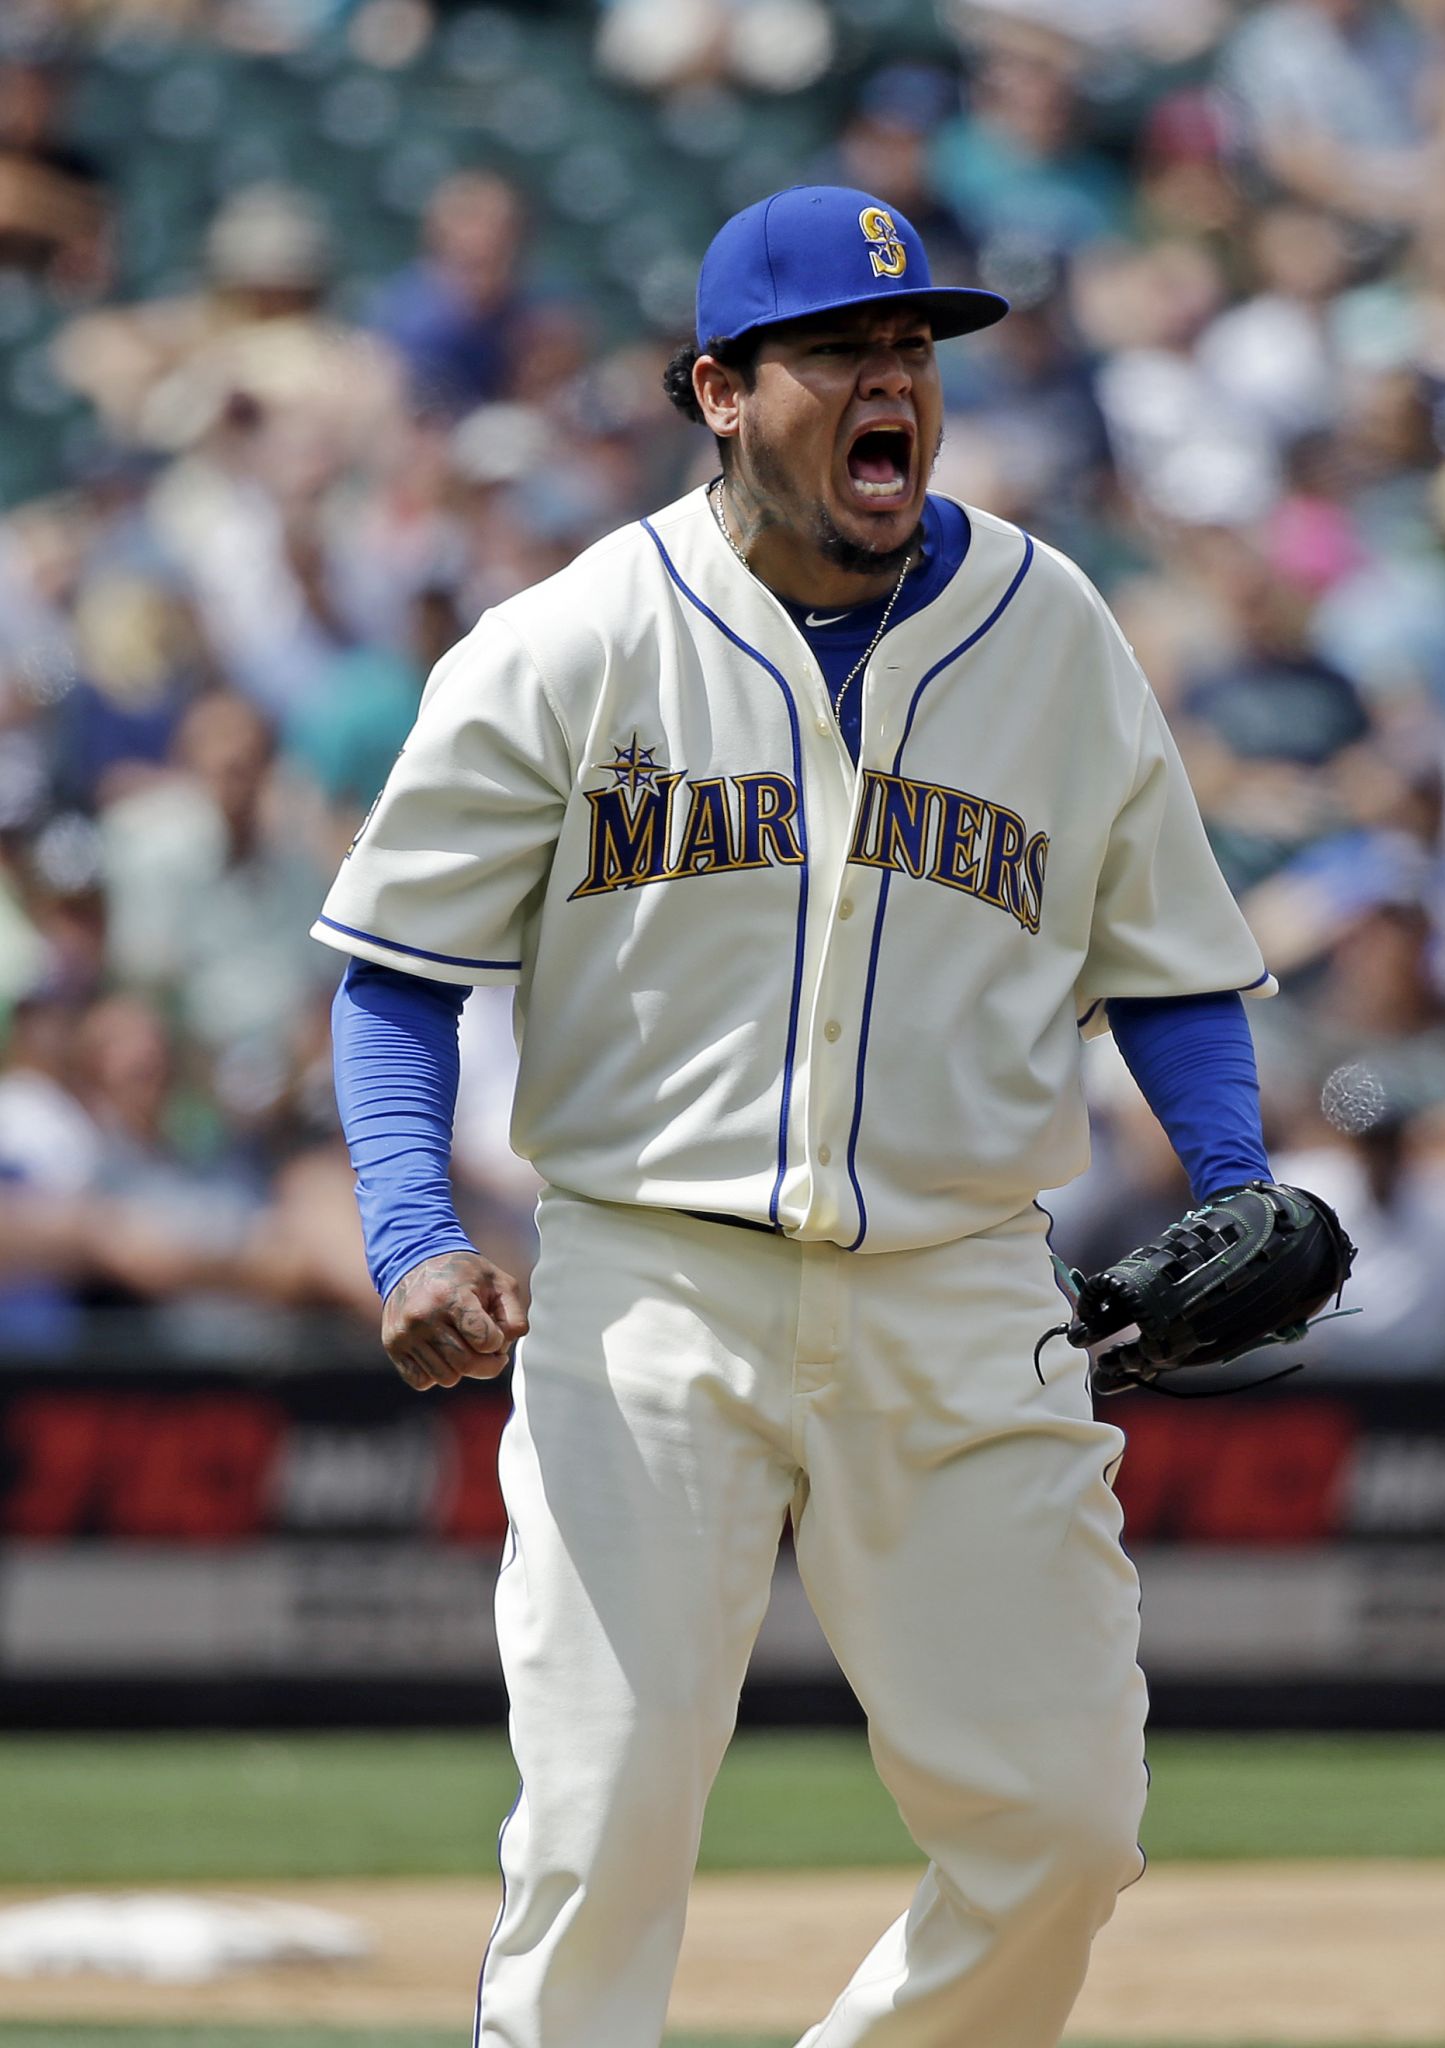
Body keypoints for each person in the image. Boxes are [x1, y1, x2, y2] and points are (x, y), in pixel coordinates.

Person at [317, 185, 1282, 2048]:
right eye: (843, 349)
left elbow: (1160, 957)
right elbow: (396, 969)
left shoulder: (1048, 627)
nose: (892, 380)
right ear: (721, 391)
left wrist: (1237, 1175)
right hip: (651, 1289)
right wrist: (412, 1229)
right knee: (600, 1830)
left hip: (963, 1285)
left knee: (1065, 1831)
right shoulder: (573, 638)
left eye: (917, 348)